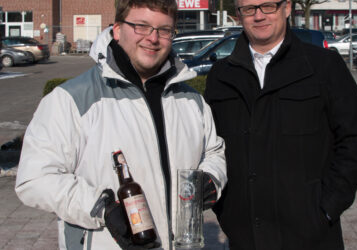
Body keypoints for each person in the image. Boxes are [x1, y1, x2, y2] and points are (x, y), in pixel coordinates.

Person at [15, 0, 227, 249]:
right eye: (141, 26)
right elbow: (35, 178)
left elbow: (214, 152)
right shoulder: (71, 100)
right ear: (117, 30)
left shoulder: (192, 101)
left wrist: (211, 178)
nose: (153, 38)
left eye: (164, 30)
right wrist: (101, 207)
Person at [204, 0, 357, 249]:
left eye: (268, 6)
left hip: (312, 236)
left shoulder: (324, 66)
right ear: (239, 15)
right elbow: (212, 146)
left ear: (286, 8)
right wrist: (226, 209)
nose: (259, 16)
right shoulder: (221, 75)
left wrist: (326, 208)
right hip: (245, 236)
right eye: (249, 9)